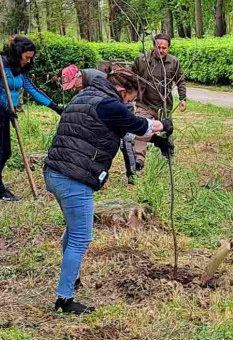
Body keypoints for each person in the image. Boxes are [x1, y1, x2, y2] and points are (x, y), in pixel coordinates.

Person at [44, 66, 173, 314]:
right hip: (74, 177)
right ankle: (64, 299)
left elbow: (122, 128)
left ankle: (74, 277)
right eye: (131, 98)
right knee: (81, 237)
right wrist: (161, 125)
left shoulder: (86, 96)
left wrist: (156, 142)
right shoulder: (109, 104)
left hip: (55, 172)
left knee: (73, 231)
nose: (130, 103)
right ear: (122, 90)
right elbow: (136, 124)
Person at [0, 36, 63, 201]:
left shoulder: (20, 69)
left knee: (6, 152)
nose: (29, 60)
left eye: (31, 57)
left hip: (7, 112)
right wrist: (5, 108)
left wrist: (55, 107)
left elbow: (32, 89)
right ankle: (0, 191)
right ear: (18, 53)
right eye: (27, 57)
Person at [62, 64, 138, 184]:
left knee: (126, 141)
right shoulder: (84, 84)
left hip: (123, 106)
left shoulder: (94, 79)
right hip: (107, 110)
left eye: (73, 85)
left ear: (78, 76)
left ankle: (132, 175)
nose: (73, 89)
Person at [131, 33, 186, 171]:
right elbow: (131, 77)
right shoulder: (142, 60)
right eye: (158, 47)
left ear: (168, 49)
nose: (161, 50)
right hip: (144, 103)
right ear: (153, 46)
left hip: (164, 105)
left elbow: (180, 81)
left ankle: (167, 155)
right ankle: (139, 159)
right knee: (141, 128)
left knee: (166, 131)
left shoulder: (174, 62)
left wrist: (183, 98)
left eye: (164, 48)